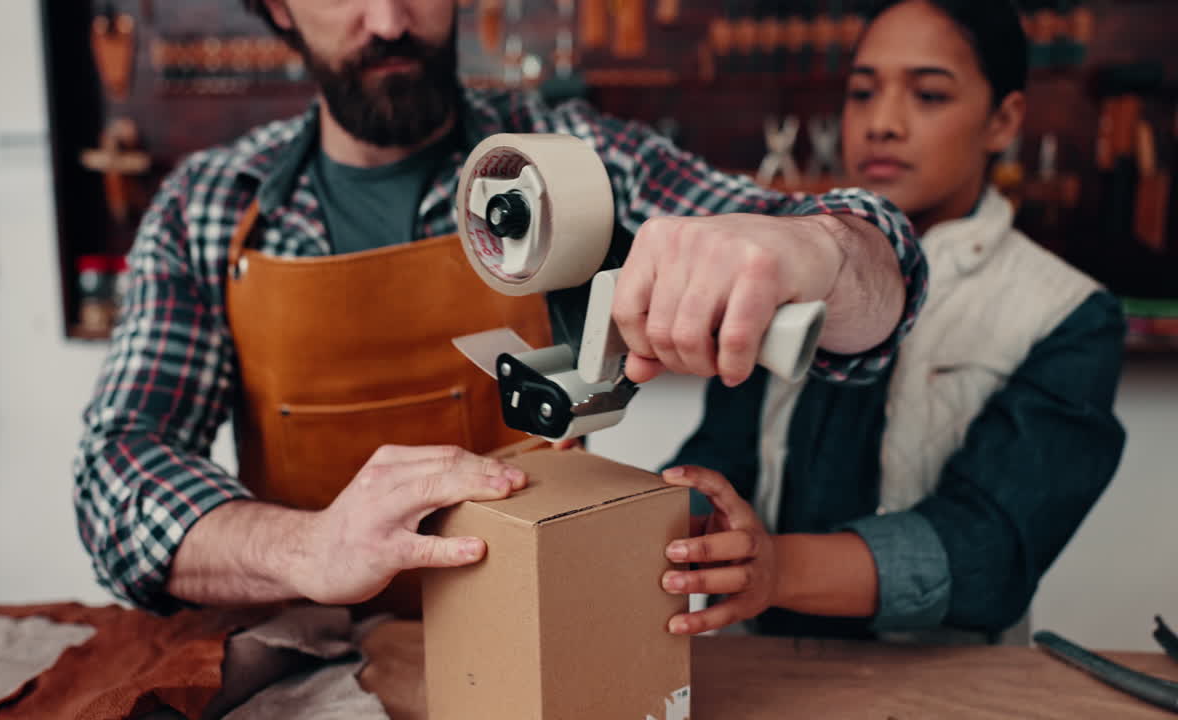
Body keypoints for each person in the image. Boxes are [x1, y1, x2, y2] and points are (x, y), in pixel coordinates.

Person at [73, 0, 925, 616]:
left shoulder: (565, 161)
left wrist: (820, 250)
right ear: (277, 9)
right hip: (302, 657)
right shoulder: (210, 208)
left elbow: (879, 297)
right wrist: (308, 547)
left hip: (531, 638)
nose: (389, 20)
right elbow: (116, 476)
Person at [659, 0, 1126, 641]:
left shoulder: (1068, 314)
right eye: (862, 93)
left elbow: (990, 552)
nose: (881, 124)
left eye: (929, 95)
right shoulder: (786, 269)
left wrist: (775, 568)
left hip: (940, 682)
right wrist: (626, 514)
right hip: (762, 670)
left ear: (1003, 120)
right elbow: (721, 457)